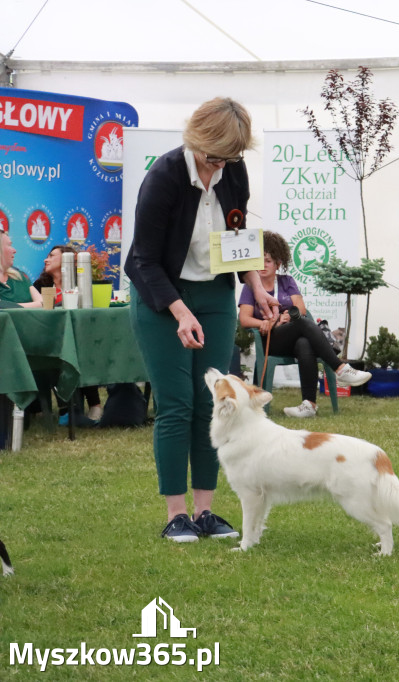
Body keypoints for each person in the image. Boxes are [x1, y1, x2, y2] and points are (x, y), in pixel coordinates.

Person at [124, 97, 277, 543]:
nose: (220, 165)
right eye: (214, 156)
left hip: (214, 295)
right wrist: (178, 310)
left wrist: (257, 287)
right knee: (176, 405)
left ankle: (206, 512)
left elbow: (237, 239)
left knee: (213, 403)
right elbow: (144, 260)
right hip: (161, 297)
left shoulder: (234, 171)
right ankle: (176, 515)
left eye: (230, 157)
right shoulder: (164, 176)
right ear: (198, 141)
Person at [238, 230, 370, 418]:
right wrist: (267, 321)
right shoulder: (250, 286)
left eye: (268, 261)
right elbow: (244, 319)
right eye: (259, 260)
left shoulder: (286, 281)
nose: (262, 265)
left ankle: (309, 405)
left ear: (278, 264)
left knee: (304, 341)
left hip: (291, 335)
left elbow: (299, 308)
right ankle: (340, 368)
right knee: (303, 324)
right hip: (270, 339)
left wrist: (287, 316)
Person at [34, 244, 104, 422]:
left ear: (67, 260)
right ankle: (64, 408)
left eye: (51, 256)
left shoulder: (80, 283)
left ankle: (95, 405)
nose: (46, 259)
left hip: (77, 336)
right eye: (47, 256)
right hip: (49, 338)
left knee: (82, 350)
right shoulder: (39, 285)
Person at [0, 231, 43, 308]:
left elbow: (42, 303)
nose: (14, 251)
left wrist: (9, 306)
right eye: (9, 245)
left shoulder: (19, 276)